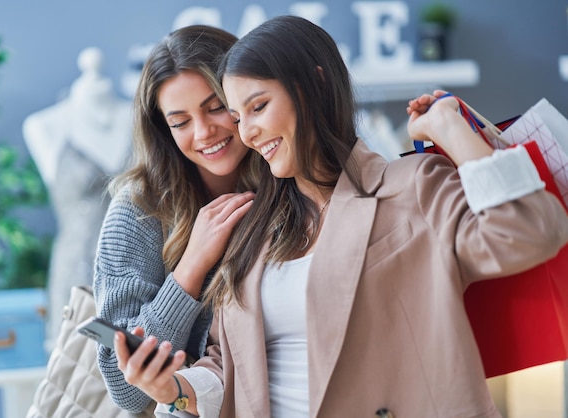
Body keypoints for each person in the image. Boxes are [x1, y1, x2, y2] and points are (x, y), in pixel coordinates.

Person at [122, 16, 568, 417]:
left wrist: (449, 127)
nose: (248, 132)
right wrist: (173, 389)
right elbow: (230, 365)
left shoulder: (409, 184)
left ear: (314, 85)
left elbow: (527, 230)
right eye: (238, 116)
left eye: (258, 107)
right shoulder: (254, 229)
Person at [93, 25, 260, 414]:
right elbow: (125, 390)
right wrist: (192, 266)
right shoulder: (138, 209)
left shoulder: (286, 177)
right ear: (163, 130)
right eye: (181, 122)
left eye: (215, 106)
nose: (204, 132)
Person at [22, 46, 133, 344]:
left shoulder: (139, 118)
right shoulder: (44, 126)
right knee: (74, 381)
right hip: (76, 274)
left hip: (139, 270)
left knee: (145, 378)